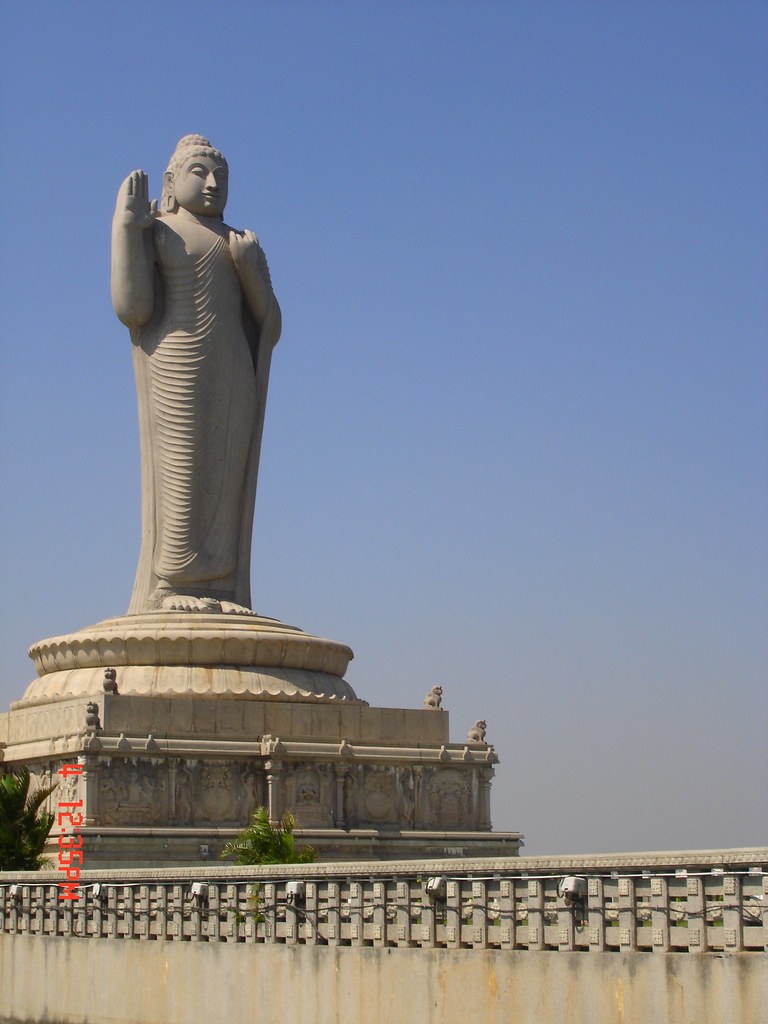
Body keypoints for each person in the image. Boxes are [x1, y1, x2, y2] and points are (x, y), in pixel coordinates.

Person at [111, 135, 281, 614]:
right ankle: (170, 584)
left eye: (220, 177)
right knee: (181, 468)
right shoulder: (159, 231)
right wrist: (126, 230)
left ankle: (220, 585)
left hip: (233, 369)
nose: (211, 184)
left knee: (224, 476)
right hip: (177, 362)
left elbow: (271, 323)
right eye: (199, 173)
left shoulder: (240, 242)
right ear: (171, 181)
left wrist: (249, 271)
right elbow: (133, 308)